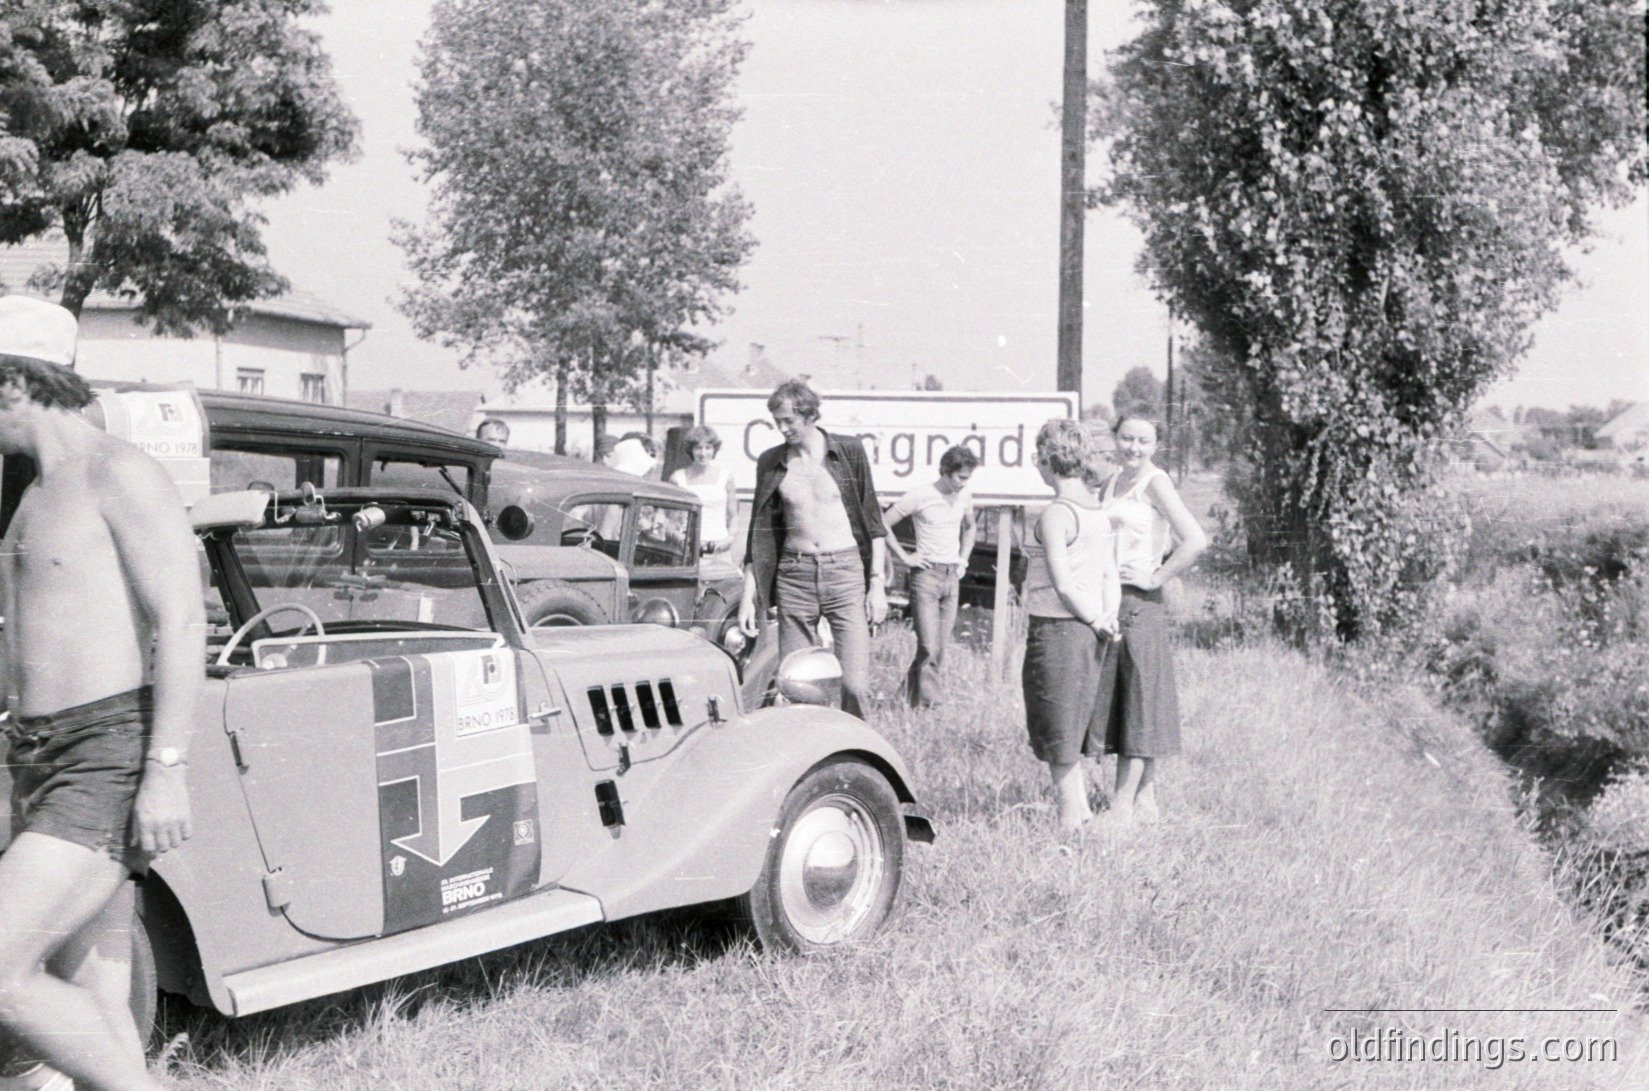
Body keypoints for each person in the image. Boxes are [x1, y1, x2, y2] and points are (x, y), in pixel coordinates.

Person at [0, 296, 205, 1091]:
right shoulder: (27, 493)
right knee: (92, 987)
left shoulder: (119, 472)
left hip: (107, 753)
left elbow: (182, 621)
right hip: (35, 753)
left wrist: (167, 767)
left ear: (13, 382)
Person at [738, 380, 888, 719]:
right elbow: (758, 536)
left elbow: (874, 523)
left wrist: (877, 584)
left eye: (789, 420)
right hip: (795, 577)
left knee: (855, 685)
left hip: (845, 574)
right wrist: (748, 597)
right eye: (777, 421)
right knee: (798, 687)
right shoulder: (771, 462)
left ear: (810, 416)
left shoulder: (848, 452)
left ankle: (858, 757)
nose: (783, 428)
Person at [1095, 415, 1207, 828]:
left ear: (1156, 445)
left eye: (1143, 441)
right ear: (1115, 439)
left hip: (1142, 602)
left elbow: (1195, 539)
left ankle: (1121, 807)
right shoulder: (1110, 483)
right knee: (1127, 699)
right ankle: (1145, 801)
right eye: (1127, 438)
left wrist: (1156, 576)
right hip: (1113, 600)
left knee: (1141, 701)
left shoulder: (1155, 481)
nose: (1133, 448)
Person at [1020, 419, 1120, 833]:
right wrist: (1106, 617)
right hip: (1092, 629)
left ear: (1047, 460)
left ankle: (1068, 820)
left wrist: (1095, 618)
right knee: (1072, 721)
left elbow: (1062, 585)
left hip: (1059, 629)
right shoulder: (1096, 510)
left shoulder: (1055, 514)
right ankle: (1080, 811)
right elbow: (1109, 574)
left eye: (1037, 458)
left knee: (1056, 725)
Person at [882, 445, 978, 709]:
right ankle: (934, 705)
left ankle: (905, 701)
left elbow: (970, 527)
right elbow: (882, 523)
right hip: (926, 576)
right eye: (960, 477)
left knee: (940, 647)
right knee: (928, 645)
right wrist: (905, 556)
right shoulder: (921, 495)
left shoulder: (965, 496)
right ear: (946, 472)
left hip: (951, 576)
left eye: (967, 478)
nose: (964, 483)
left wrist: (964, 558)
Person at [669, 425, 739, 554]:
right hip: (687, 549)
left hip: (720, 547)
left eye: (708, 447)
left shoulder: (726, 477)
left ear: (714, 449)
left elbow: (733, 516)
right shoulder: (677, 478)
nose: (703, 453)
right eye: (698, 448)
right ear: (691, 450)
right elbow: (671, 521)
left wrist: (729, 539)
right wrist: (682, 541)